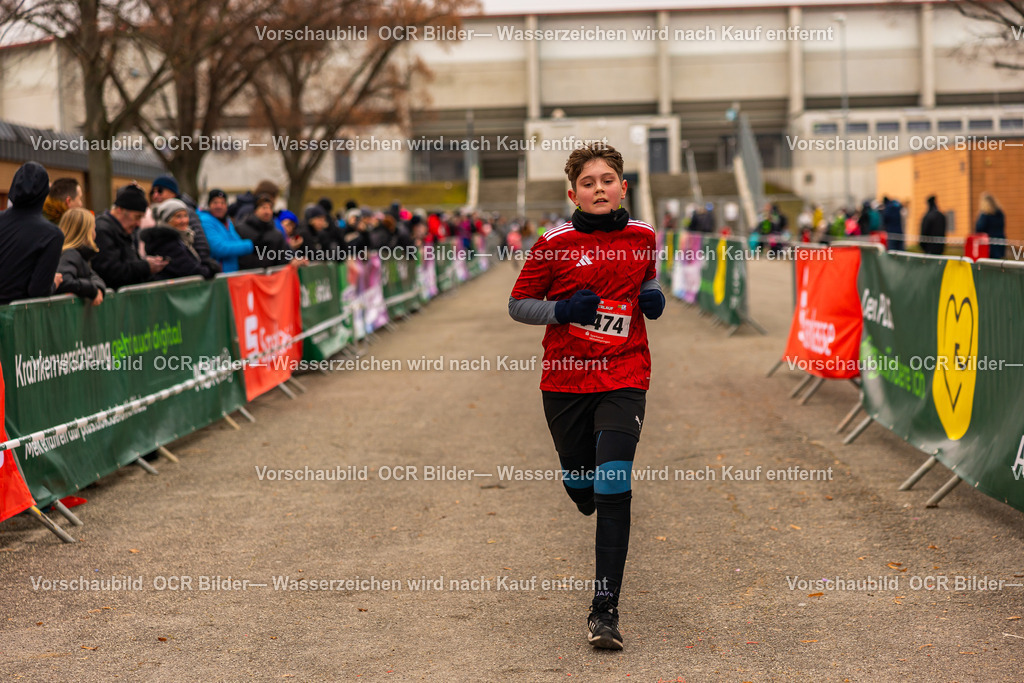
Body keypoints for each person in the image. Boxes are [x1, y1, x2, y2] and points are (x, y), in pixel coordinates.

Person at [508, 143, 662, 651]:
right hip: (566, 381)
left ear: (624, 187)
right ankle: (580, 487)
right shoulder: (554, 242)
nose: (600, 188)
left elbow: (648, 282)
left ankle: (604, 610)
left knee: (615, 486)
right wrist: (562, 311)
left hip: (624, 375)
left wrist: (652, 297)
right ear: (574, 193)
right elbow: (518, 304)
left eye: (609, 179)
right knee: (583, 488)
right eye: (590, 182)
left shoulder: (643, 237)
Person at [0, 162, 65, 304]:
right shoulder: (51, 235)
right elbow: (38, 290)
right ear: (45, 193)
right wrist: (54, 284)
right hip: (16, 319)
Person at [93, 184, 166, 289]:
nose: (139, 224)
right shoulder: (102, 231)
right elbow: (111, 272)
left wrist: (144, 263)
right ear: (120, 210)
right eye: (137, 217)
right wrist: (145, 266)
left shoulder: (121, 230)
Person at [139, 198, 220, 280]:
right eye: (178, 216)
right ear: (167, 220)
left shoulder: (184, 238)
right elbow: (191, 270)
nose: (183, 220)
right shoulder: (165, 241)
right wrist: (211, 269)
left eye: (185, 215)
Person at [146, 175, 211, 259]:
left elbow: (201, 244)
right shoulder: (151, 213)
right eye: (152, 192)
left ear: (173, 192)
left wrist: (200, 266)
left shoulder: (186, 211)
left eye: (160, 191)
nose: (155, 195)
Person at [55, 207, 106, 304]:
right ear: (87, 232)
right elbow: (64, 280)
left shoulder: (79, 255)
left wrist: (97, 288)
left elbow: (94, 277)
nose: (95, 234)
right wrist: (92, 290)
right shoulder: (70, 254)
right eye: (93, 229)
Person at [199, 189, 253, 273]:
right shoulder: (205, 221)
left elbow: (236, 241)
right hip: (217, 275)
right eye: (215, 203)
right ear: (209, 205)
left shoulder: (227, 221)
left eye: (222, 203)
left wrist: (240, 245)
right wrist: (250, 245)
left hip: (231, 274)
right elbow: (219, 249)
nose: (219, 206)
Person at [236, 194, 291, 270]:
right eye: (264, 207)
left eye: (270, 208)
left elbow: (283, 259)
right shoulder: (241, 230)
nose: (267, 211)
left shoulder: (277, 234)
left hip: (271, 278)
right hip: (248, 278)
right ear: (255, 210)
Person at [975, 192, 1006, 260]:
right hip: (1000, 241)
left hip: (988, 244)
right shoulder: (1000, 214)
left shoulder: (984, 215)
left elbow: (979, 228)